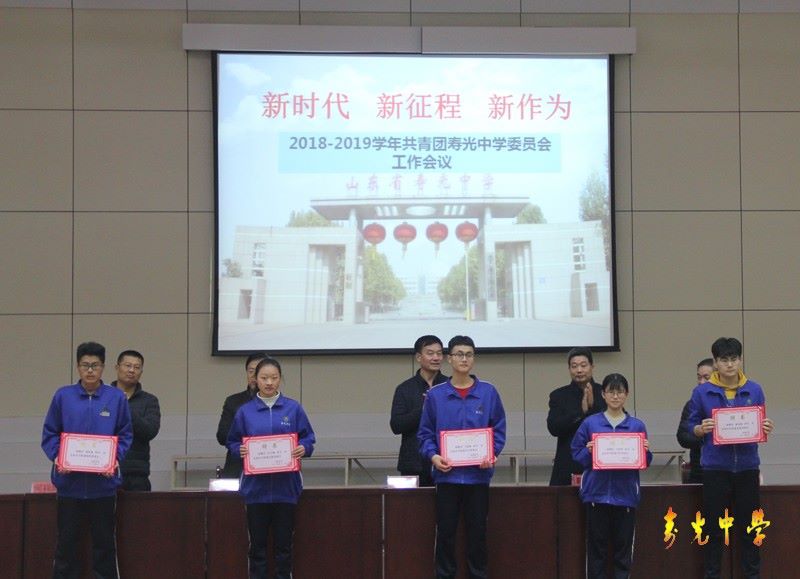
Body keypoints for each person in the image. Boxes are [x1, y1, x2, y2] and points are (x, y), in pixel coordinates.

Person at [41, 341, 133, 579]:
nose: (90, 370)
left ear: (104, 367)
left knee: (104, 546)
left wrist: (114, 458)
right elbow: (50, 433)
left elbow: (125, 434)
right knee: (66, 545)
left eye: (95, 365)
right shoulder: (63, 396)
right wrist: (58, 457)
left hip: (103, 487)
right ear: (77, 367)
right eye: (85, 365)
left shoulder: (116, 398)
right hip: (69, 486)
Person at [418, 335, 506, 579]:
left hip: (478, 477)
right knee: (446, 534)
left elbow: (498, 430)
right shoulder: (436, 395)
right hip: (447, 478)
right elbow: (424, 434)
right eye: (459, 354)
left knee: (478, 534)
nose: (464, 359)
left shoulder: (488, 392)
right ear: (449, 359)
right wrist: (433, 457)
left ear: (473, 359)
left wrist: (492, 454)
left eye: (468, 354)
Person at [688, 337, 774, 579]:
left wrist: (765, 427)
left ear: (740, 360)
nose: (729, 364)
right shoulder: (702, 392)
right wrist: (699, 429)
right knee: (713, 529)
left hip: (747, 468)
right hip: (715, 469)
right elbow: (690, 426)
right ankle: (712, 574)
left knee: (751, 528)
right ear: (715, 362)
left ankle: (752, 575)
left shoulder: (754, 389)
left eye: (734, 359)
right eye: (724, 360)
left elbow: (760, 422)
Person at [226, 357, 315, 579]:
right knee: (257, 548)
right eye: (264, 378)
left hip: (286, 489)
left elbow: (308, 438)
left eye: (274, 378)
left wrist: (304, 448)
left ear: (280, 379)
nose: (269, 382)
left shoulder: (293, 408)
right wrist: (239, 450)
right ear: (255, 379)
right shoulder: (245, 411)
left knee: (284, 547)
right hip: (255, 490)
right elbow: (232, 441)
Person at [571, 373, 652, 579]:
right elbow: (576, 454)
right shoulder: (590, 424)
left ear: (627, 394)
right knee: (596, 552)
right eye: (611, 392)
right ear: (603, 394)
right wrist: (589, 452)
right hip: (596, 496)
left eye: (620, 392)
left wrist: (645, 451)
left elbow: (645, 462)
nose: (615, 396)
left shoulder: (636, 426)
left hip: (626, 497)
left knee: (623, 553)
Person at [390, 335, 448, 487]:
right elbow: (396, 425)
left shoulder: (450, 386)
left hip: (447, 462)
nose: (436, 357)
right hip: (413, 464)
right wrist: (424, 409)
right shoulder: (405, 388)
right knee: (412, 503)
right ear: (418, 357)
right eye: (430, 353)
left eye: (439, 353)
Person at [547, 347, 606, 485]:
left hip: (601, 464)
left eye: (583, 365)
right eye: (574, 366)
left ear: (592, 367)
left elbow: (618, 421)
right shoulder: (559, 395)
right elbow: (553, 428)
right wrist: (581, 412)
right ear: (569, 369)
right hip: (568, 465)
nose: (579, 370)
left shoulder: (605, 393)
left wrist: (593, 409)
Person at [111, 349, 161, 491]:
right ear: (117, 367)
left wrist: (124, 405)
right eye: (127, 365)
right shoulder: (104, 397)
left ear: (141, 372)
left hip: (137, 474)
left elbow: (150, 431)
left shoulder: (149, 400)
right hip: (105, 471)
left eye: (137, 367)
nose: (132, 370)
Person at [216, 352, 269, 478]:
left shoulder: (284, 405)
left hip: (271, 467)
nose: (254, 376)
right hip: (238, 468)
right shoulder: (234, 402)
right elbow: (222, 436)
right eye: (251, 371)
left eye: (259, 371)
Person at [676, 358, 713, 484]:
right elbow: (682, 437)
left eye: (706, 378)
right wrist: (701, 434)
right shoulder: (692, 404)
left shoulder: (728, 402)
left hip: (727, 470)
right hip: (699, 471)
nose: (701, 382)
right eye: (699, 377)